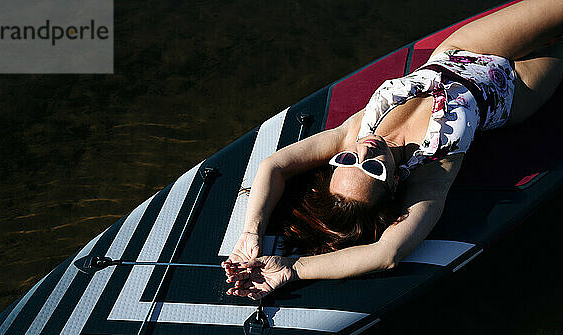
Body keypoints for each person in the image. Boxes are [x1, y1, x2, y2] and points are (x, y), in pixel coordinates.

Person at [223, 0, 563, 300]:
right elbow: (387, 252)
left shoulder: (352, 134)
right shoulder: (432, 171)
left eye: (348, 161)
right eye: (373, 169)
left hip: (463, 50)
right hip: (514, 89)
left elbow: (275, 166)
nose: (366, 152)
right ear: (394, 184)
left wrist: (251, 232)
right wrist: (292, 269)